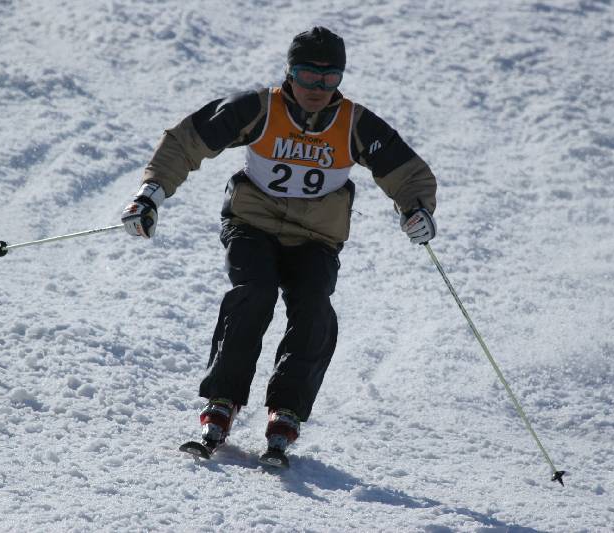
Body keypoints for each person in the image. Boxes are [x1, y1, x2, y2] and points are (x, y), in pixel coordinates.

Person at [121, 27, 437, 455]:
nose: (317, 89)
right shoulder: (258, 109)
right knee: (254, 292)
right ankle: (222, 400)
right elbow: (187, 141)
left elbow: (408, 173)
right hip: (253, 224)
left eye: (329, 79)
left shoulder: (355, 124)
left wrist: (417, 209)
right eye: (308, 75)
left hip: (317, 237)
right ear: (290, 72)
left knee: (314, 306)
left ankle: (286, 410)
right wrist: (150, 194)